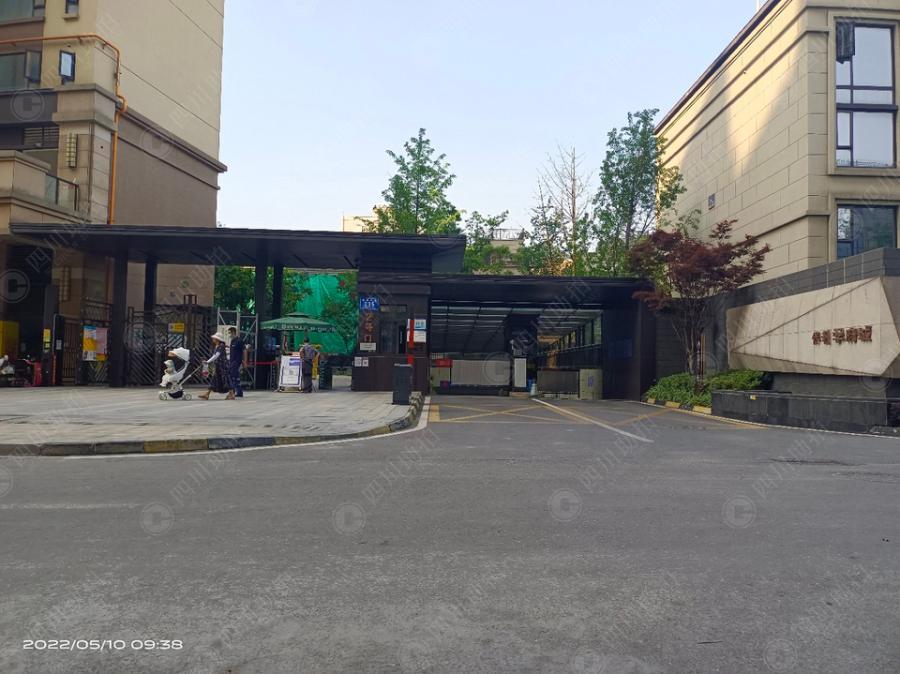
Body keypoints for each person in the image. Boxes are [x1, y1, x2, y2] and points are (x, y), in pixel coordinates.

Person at [199, 332, 234, 400]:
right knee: (215, 379)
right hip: (218, 365)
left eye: (214, 338)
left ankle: (232, 394)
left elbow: (216, 355)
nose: (213, 339)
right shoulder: (218, 346)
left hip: (223, 366)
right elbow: (215, 355)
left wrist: (208, 361)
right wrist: (209, 361)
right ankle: (207, 394)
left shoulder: (221, 346)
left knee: (226, 379)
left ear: (217, 339)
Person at [227, 327, 249, 398]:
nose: (229, 335)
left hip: (237, 361)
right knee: (233, 376)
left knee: (234, 376)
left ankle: (236, 392)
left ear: (233, 332)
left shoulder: (239, 341)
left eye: (229, 333)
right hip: (231, 361)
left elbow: (244, 351)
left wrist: (245, 361)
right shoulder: (232, 341)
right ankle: (237, 392)